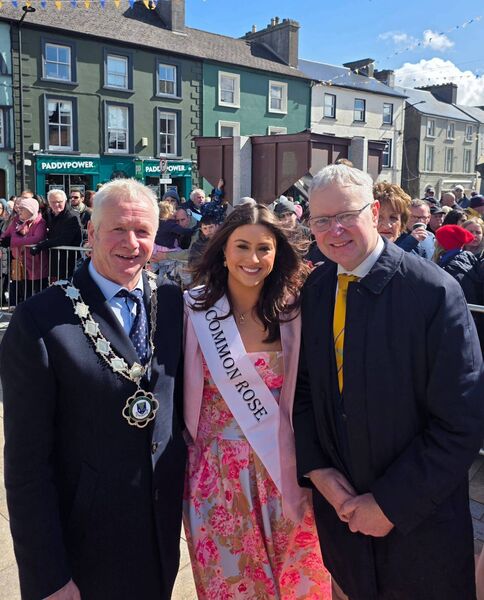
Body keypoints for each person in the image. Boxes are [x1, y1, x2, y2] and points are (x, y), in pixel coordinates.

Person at [293, 164, 484, 600]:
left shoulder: (434, 292)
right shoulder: (318, 288)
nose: (334, 230)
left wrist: (390, 504)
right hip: (343, 520)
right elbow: (305, 392)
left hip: (419, 528)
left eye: (346, 215)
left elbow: (462, 419)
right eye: (321, 220)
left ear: (375, 212)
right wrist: (318, 470)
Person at [1, 179, 186, 600]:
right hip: (84, 547)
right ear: (92, 233)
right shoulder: (40, 320)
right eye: (118, 229)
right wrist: (48, 576)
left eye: (143, 232)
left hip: (158, 538)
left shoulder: (174, 304)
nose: (131, 243)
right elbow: (26, 466)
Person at [183, 204, 331, 599]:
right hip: (216, 478)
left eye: (263, 248)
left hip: (285, 472)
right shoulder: (193, 310)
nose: (253, 258)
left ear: (277, 253)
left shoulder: (295, 311)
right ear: (224, 250)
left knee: (300, 583)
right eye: (242, 246)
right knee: (234, 585)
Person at [0, 197, 48, 304]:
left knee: (36, 292)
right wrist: (4, 239)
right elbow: (5, 235)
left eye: (23, 209)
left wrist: (12, 241)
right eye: (19, 208)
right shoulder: (16, 221)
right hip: (20, 264)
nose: (19, 211)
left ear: (30, 210)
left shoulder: (40, 222)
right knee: (22, 292)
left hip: (36, 264)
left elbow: (37, 238)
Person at [30, 189, 82, 281]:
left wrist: (42, 245)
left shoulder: (72, 216)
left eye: (59, 202)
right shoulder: (50, 214)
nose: (56, 205)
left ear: (65, 201)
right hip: (54, 260)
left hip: (68, 261)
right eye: (53, 202)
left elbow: (64, 239)